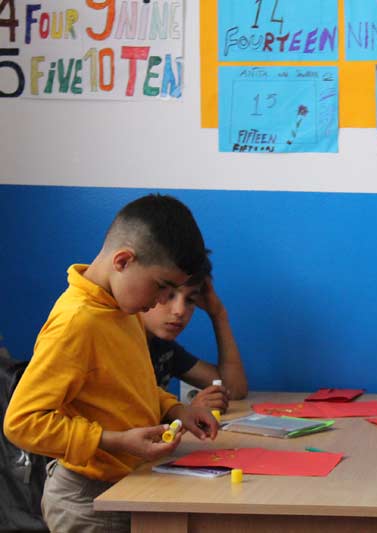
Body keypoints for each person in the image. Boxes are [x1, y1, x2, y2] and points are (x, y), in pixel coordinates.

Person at [3, 194, 219, 533]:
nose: (162, 301)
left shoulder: (123, 308)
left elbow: (135, 388)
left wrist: (178, 411)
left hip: (130, 483)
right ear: (122, 261)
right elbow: (21, 423)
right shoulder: (77, 322)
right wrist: (113, 441)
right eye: (161, 287)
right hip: (87, 501)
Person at [142, 264, 248, 413]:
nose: (180, 311)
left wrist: (218, 314)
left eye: (190, 300)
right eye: (169, 295)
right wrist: (186, 412)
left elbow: (233, 389)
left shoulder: (163, 346)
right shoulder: (116, 342)